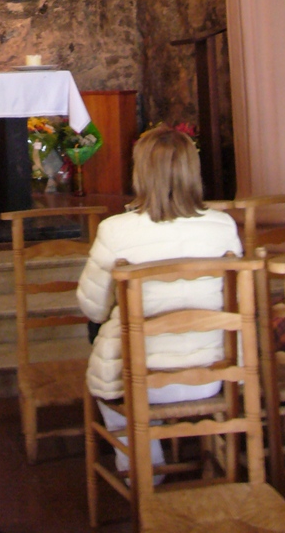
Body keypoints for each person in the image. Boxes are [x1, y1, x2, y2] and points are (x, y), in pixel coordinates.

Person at [77, 125, 242, 473]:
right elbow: (238, 300)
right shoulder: (223, 226)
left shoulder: (115, 230)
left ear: (140, 172)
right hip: (214, 372)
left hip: (141, 381)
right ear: (192, 170)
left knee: (102, 346)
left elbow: (92, 307)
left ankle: (144, 465)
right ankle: (221, 464)